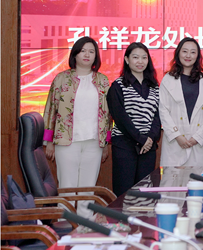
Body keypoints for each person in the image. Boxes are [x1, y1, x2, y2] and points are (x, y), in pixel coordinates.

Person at [42, 36, 110, 217]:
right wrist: (48, 141)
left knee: (88, 188)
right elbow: (50, 109)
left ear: (96, 56)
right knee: (67, 187)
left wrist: (106, 143)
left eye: (91, 51)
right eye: (83, 51)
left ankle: (85, 226)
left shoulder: (102, 81)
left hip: (94, 142)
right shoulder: (61, 79)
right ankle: (66, 225)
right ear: (75, 54)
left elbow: (108, 114)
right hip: (66, 141)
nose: (87, 55)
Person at [107, 43, 160, 197]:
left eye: (144, 58)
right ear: (127, 59)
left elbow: (157, 116)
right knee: (124, 192)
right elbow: (120, 118)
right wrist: (140, 138)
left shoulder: (154, 86)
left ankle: (142, 214)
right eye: (135, 57)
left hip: (148, 147)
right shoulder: (118, 85)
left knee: (145, 192)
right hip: (125, 144)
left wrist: (150, 138)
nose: (140, 61)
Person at [159, 37, 203, 167]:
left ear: (198, 56)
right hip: (175, 143)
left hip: (199, 142)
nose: (188, 55)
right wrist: (177, 136)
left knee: (198, 178)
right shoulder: (168, 79)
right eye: (184, 51)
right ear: (178, 53)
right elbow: (163, 110)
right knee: (172, 178)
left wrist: (198, 137)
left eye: (193, 52)